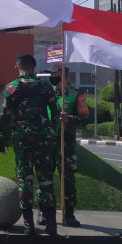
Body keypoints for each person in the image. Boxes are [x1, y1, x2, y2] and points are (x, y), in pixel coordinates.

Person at [0, 53, 60, 235]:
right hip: (44, 137)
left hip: (22, 138)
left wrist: (2, 141)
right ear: (33, 67)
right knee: (46, 179)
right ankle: (51, 225)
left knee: (25, 179)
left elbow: (5, 117)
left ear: (18, 67)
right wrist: (53, 133)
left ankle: (28, 225)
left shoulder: (11, 87)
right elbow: (55, 112)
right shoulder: (45, 86)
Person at [37, 65, 88, 228]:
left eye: (55, 74)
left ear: (64, 75)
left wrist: (70, 118)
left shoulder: (76, 96)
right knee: (45, 179)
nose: (52, 76)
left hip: (66, 146)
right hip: (47, 144)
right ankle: (43, 212)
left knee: (68, 181)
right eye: (51, 74)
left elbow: (85, 119)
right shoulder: (46, 94)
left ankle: (69, 215)